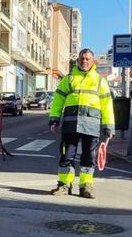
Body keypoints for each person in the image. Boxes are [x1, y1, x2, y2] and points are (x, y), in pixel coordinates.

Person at [48, 48, 115, 199]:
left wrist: (109, 126)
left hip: (91, 125)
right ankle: (64, 185)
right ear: (77, 60)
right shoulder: (69, 78)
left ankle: (86, 187)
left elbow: (107, 105)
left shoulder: (99, 81)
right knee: (66, 156)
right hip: (70, 125)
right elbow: (58, 100)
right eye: (82, 58)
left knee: (89, 157)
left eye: (87, 59)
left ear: (93, 61)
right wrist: (54, 119)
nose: (84, 61)